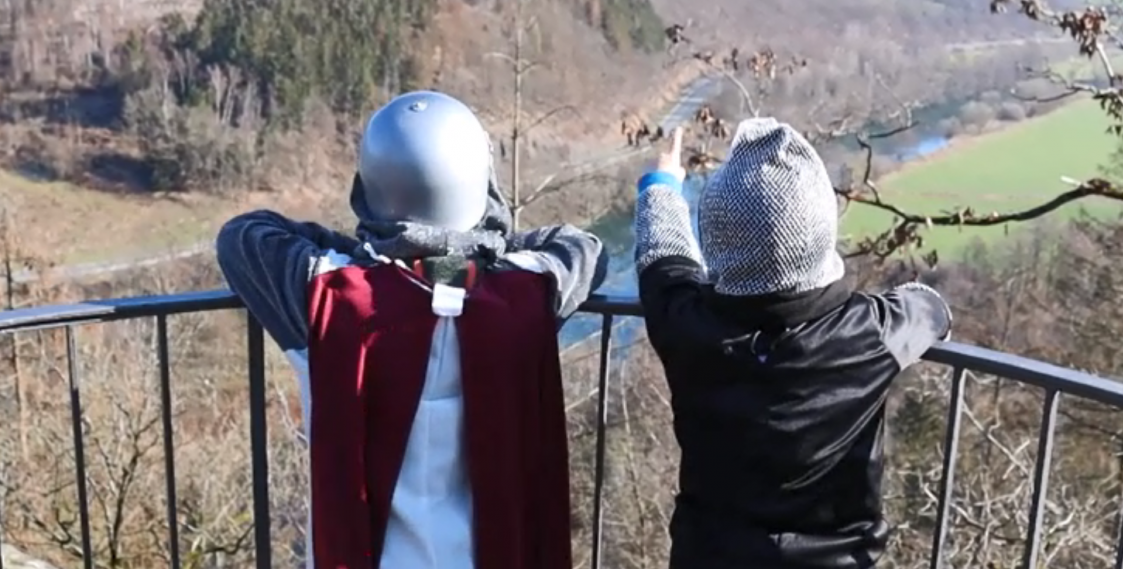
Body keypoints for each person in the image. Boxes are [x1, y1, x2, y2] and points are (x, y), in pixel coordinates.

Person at [215, 90, 608, 569]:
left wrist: (375, 250)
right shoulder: (526, 295)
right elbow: (581, 246)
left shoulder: (329, 296)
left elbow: (245, 235)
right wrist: (473, 249)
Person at [634, 120, 952, 569]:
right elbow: (932, 310)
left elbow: (663, 256)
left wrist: (662, 182)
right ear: (820, 236)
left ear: (719, 242)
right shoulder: (869, 332)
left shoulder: (688, 326)